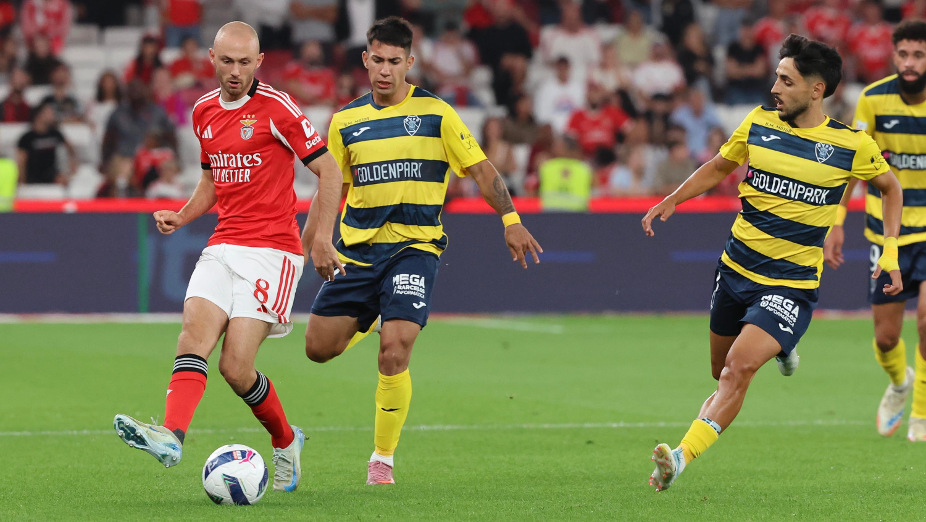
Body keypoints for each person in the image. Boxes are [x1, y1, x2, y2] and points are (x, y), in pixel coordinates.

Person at [641, 33, 904, 492]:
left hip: (790, 284)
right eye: (776, 77)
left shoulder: (849, 145)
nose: (775, 88)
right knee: (718, 371)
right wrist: (674, 199)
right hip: (736, 270)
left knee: (737, 370)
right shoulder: (758, 124)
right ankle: (784, 347)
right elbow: (722, 166)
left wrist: (892, 249)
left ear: (816, 90)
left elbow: (892, 188)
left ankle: (680, 458)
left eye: (786, 80)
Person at [302, 16, 542, 486]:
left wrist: (511, 219)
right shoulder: (346, 122)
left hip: (415, 247)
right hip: (357, 253)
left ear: (409, 62)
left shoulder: (437, 115)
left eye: (396, 61)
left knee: (395, 351)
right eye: (378, 60)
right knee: (317, 349)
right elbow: (331, 187)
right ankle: (373, 313)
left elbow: (482, 169)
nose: (385, 70)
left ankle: (382, 459)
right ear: (365, 60)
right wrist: (316, 238)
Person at [113, 21, 345, 494]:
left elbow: (330, 171)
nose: (235, 71)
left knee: (235, 368)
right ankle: (172, 436)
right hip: (223, 243)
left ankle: (286, 439)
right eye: (227, 61)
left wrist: (320, 238)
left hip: (273, 251)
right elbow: (211, 182)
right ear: (212, 61)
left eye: (245, 62)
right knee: (193, 336)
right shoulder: (202, 112)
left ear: (259, 62)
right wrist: (182, 216)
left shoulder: (277, 108)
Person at [824, 20, 926, 442]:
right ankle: (901, 384)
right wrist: (836, 220)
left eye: (918, 54)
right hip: (886, 231)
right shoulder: (873, 100)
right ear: (893, 55)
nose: (909, 62)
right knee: (886, 339)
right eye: (903, 54)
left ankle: (921, 414)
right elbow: (853, 164)